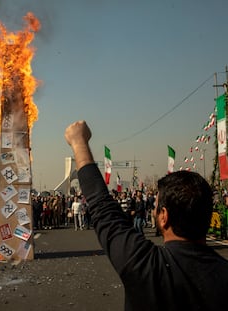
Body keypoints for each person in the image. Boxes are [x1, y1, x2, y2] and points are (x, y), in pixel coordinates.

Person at [64, 120, 228, 310]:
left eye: (157, 207)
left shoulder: (145, 265)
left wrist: (79, 142)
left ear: (164, 216)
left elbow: (102, 206)